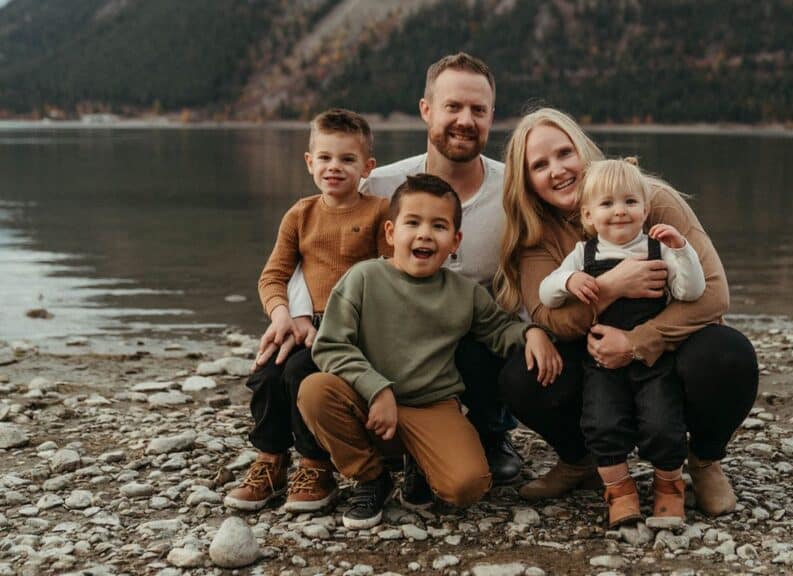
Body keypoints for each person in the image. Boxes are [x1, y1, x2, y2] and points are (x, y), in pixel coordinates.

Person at [494, 108, 759, 519]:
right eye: (540, 165)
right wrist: (613, 286)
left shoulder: (649, 199)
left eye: (565, 153)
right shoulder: (535, 232)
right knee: (520, 374)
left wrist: (637, 342)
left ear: (583, 150)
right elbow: (550, 317)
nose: (558, 170)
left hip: (665, 351)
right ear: (526, 179)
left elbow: (714, 294)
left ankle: (704, 460)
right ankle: (580, 460)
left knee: (727, 353)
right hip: (593, 356)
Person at [278, 52, 523, 486]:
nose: (465, 119)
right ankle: (327, 461)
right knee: (296, 367)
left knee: (490, 347)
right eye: (453, 106)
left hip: (469, 335)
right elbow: (317, 249)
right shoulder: (383, 186)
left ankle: (490, 433)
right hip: (393, 340)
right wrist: (292, 311)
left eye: (477, 110)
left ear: (490, 117)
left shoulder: (515, 192)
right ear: (426, 110)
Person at [297, 174, 560, 529]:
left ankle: (419, 461)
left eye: (438, 226)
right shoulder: (363, 278)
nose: (424, 234)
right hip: (370, 403)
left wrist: (532, 333)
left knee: (467, 488)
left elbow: (499, 329)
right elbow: (331, 345)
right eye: (413, 223)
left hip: (431, 404)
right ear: (391, 233)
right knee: (315, 391)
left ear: (455, 241)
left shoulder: (463, 292)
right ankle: (371, 477)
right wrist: (376, 388)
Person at [224, 109, 390, 513]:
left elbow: (390, 280)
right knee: (266, 372)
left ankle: (316, 466)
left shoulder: (379, 211)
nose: (335, 167)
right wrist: (282, 315)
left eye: (347, 160)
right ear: (309, 161)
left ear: (367, 167)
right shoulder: (301, 214)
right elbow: (273, 275)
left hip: (352, 331)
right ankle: (271, 460)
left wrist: (342, 326)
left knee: (302, 374)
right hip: (303, 324)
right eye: (326, 157)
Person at [537, 158, 706, 527]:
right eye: (607, 204)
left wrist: (683, 250)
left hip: (652, 361)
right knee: (602, 422)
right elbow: (545, 294)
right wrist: (566, 282)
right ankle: (620, 492)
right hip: (600, 364)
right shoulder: (584, 255)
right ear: (588, 216)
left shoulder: (659, 250)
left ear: (645, 209)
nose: (620, 211)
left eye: (630, 202)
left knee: (664, 422)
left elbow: (692, 291)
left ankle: (669, 489)